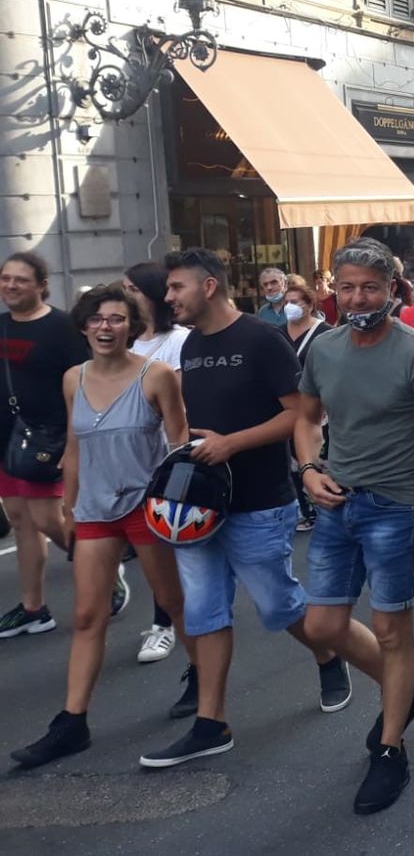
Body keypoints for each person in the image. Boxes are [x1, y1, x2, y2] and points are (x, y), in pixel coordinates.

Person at [145, 248, 356, 770]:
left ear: (209, 286)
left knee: (278, 606)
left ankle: (329, 655)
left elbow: (303, 417)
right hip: (199, 507)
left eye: (177, 287)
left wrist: (232, 444)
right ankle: (211, 723)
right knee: (204, 612)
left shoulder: (262, 340)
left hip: (260, 503)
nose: (168, 297)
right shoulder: (190, 346)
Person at [295, 237, 414, 815]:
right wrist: (310, 468)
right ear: (332, 291)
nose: (358, 296)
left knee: (392, 631)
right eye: (347, 287)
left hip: (398, 506)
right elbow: (308, 419)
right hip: (336, 505)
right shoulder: (323, 349)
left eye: (370, 286)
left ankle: (390, 749)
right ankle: (406, 688)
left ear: (392, 290)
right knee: (322, 625)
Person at [9, 287, 194, 768]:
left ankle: (200, 675)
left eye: (116, 319)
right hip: (94, 509)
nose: (105, 327)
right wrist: (69, 506)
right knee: (88, 617)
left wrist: (174, 510)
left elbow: (179, 445)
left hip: (144, 505)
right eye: (97, 319)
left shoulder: (155, 377)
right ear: (84, 326)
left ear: (131, 326)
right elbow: (74, 444)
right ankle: (72, 722)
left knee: (173, 603)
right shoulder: (74, 378)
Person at [0, 252, 92, 640]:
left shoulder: (62, 328)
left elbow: (83, 384)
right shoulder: (1, 326)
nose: (10, 286)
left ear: (41, 284)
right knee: (20, 520)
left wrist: (73, 442)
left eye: (20, 279)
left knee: (45, 519)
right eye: (5, 279)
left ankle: (98, 564)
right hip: (6, 438)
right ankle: (34, 608)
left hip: (47, 437)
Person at [123, 260, 194, 660]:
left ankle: (164, 624)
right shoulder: (125, 341)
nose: (126, 295)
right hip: (127, 457)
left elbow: (178, 405)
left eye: (131, 289)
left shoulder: (177, 341)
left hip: (162, 455)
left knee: (160, 546)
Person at [280, 281, 336, 534]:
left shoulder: (325, 333)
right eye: (287, 302)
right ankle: (306, 509)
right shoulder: (278, 334)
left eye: (295, 302)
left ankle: (326, 501)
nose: (289, 307)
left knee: (317, 456)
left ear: (310, 305)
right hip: (288, 406)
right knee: (292, 460)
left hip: (319, 407)